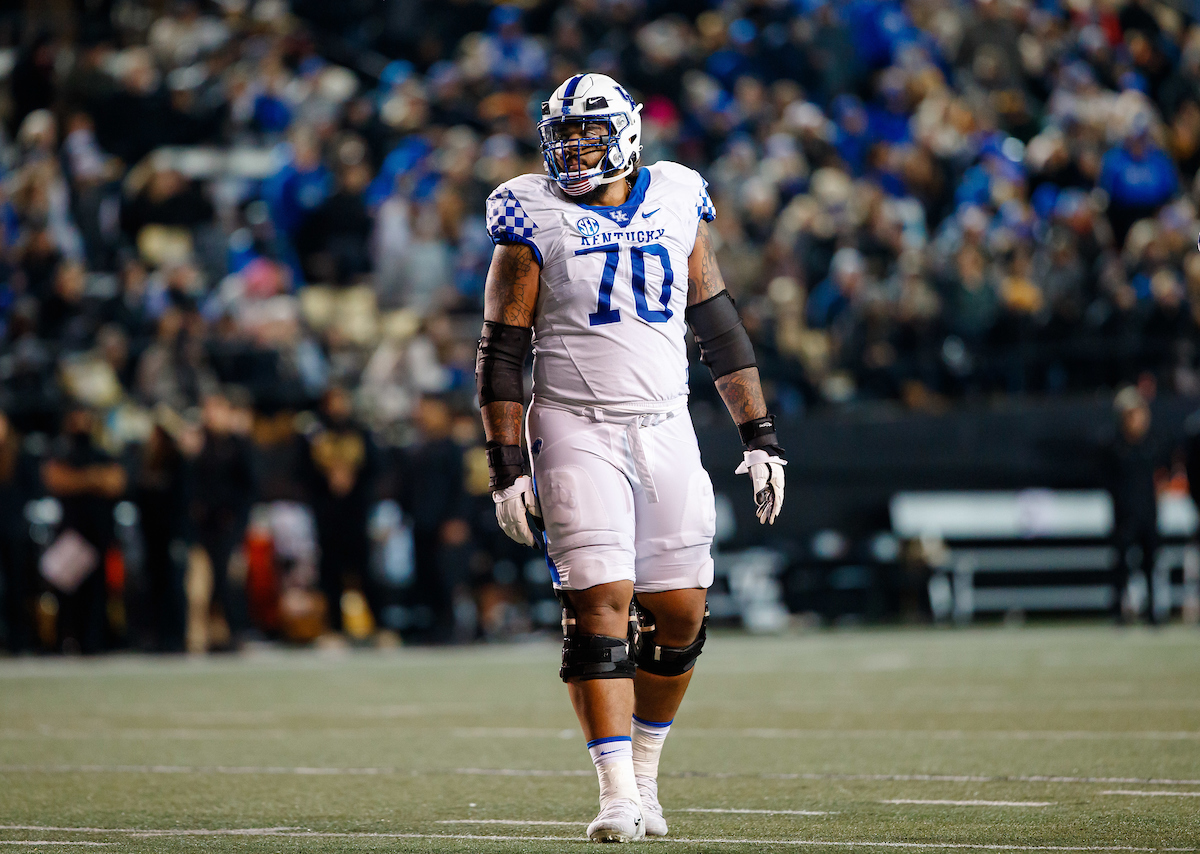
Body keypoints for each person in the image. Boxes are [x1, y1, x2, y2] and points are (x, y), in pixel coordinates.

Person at [476, 73, 786, 843]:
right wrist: (506, 468)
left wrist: (760, 436)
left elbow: (717, 325)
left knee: (681, 609)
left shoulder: (677, 195)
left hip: (664, 421)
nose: (572, 151)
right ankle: (616, 792)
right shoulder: (531, 211)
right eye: (563, 137)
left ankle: (646, 771)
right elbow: (501, 352)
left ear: (627, 134)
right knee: (600, 602)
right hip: (575, 425)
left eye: (587, 136)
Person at [41, 404, 127, 653]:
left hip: (99, 533)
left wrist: (79, 479)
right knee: (67, 591)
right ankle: (66, 641)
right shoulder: (61, 451)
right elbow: (56, 480)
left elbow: (116, 482)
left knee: (99, 593)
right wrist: (93, 478)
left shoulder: (103, 452)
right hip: (70, 536)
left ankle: (96, 642)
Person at [297, 386, 379, 636]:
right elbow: (302, 471)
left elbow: (376, 467)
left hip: (355, 510)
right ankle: (334, 626)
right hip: (327, 511)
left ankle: (377, 625)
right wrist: (327, 479)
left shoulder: (360, 431)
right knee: (330, 570)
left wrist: (353, 478)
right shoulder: (314, 433)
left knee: (364, 569)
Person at [1105, 387, 1165, 625]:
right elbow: (1109, 481)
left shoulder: (1151, 444)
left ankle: (1152, 611)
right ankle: (1118, 610)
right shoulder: (1116, 447)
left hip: (1148, 512)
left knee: (1150, 562)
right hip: (1125, 513)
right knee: (1121, 563)